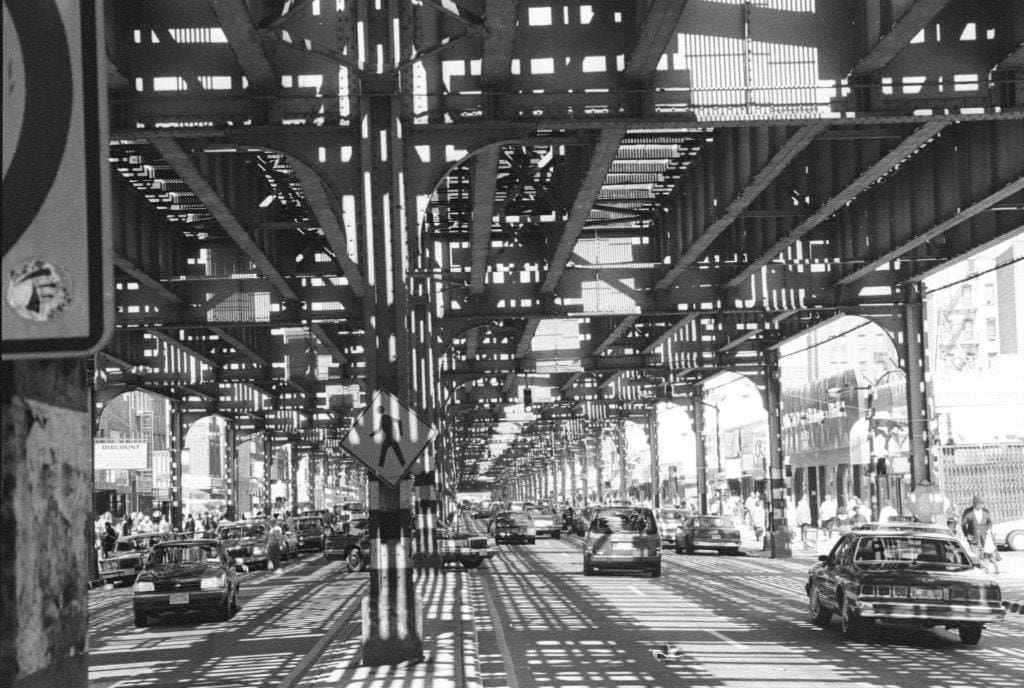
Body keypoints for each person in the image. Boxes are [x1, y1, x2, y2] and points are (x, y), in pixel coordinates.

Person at [961, 495, 999, 574]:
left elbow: (989, 522)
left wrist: (989, 529)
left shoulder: (985, 511)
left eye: (979, 503)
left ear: (981, 503)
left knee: (986, 553)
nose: (978, 504)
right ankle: (978, 570)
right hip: (973, 537)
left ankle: (986, 570)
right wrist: (967, 534)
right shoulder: (968, 511)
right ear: (973, 503)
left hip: (984, 537)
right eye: (976, 503)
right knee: (975, 555)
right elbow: (963, 524)